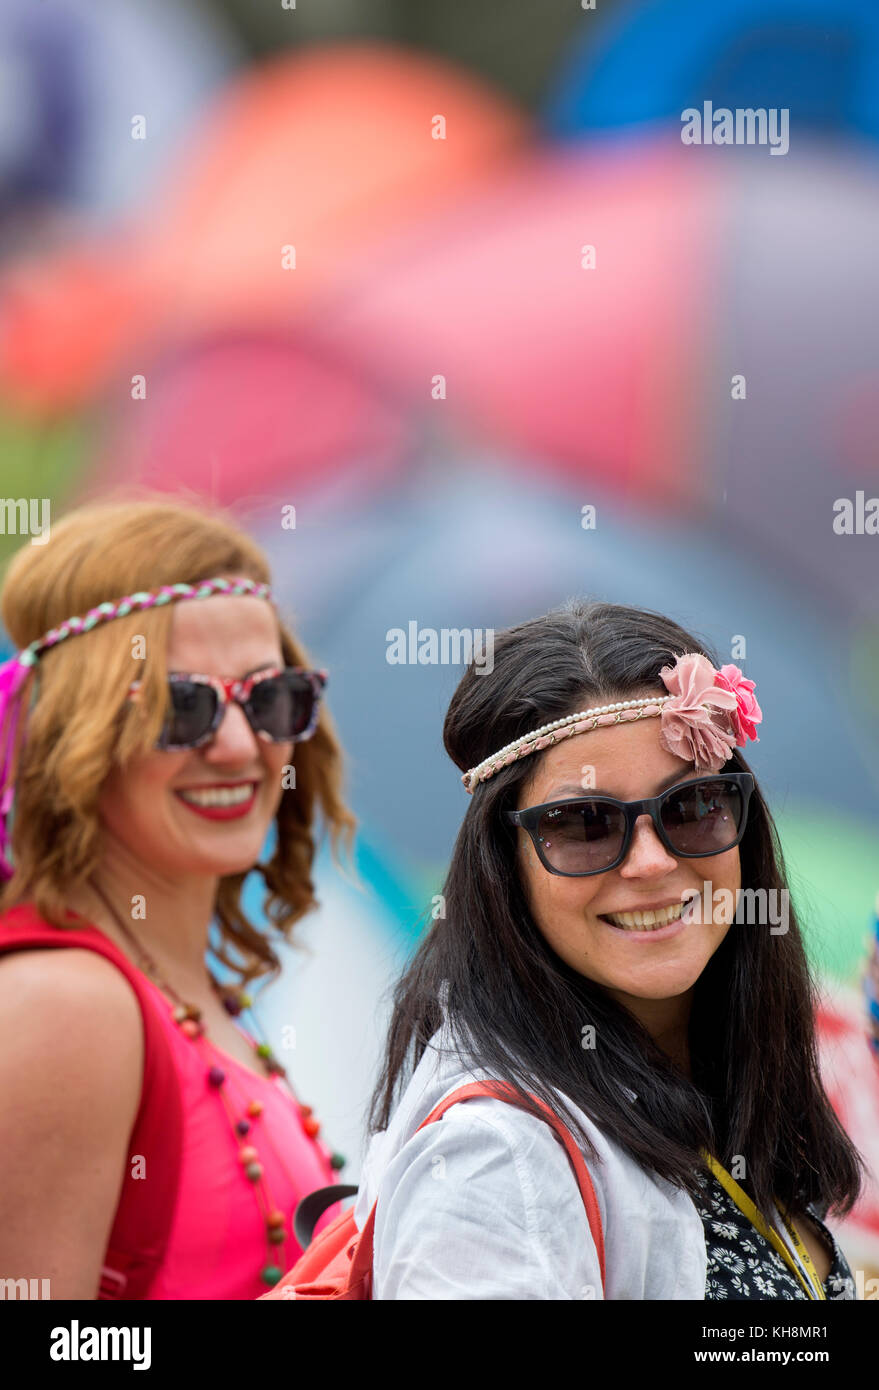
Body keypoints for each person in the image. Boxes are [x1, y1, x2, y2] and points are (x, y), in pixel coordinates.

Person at [359, 599, 864, 1299]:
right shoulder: (495, 1161)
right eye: (584, 825)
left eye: (691, 806)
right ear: (502, 868)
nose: (651, 863)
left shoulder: (709, 1086)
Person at [0, 496, 355, 1299]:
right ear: (75, 733)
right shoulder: (67, 1004)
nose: (237, 745)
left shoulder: (182, 990)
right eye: (178, 707)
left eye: (270, 697)